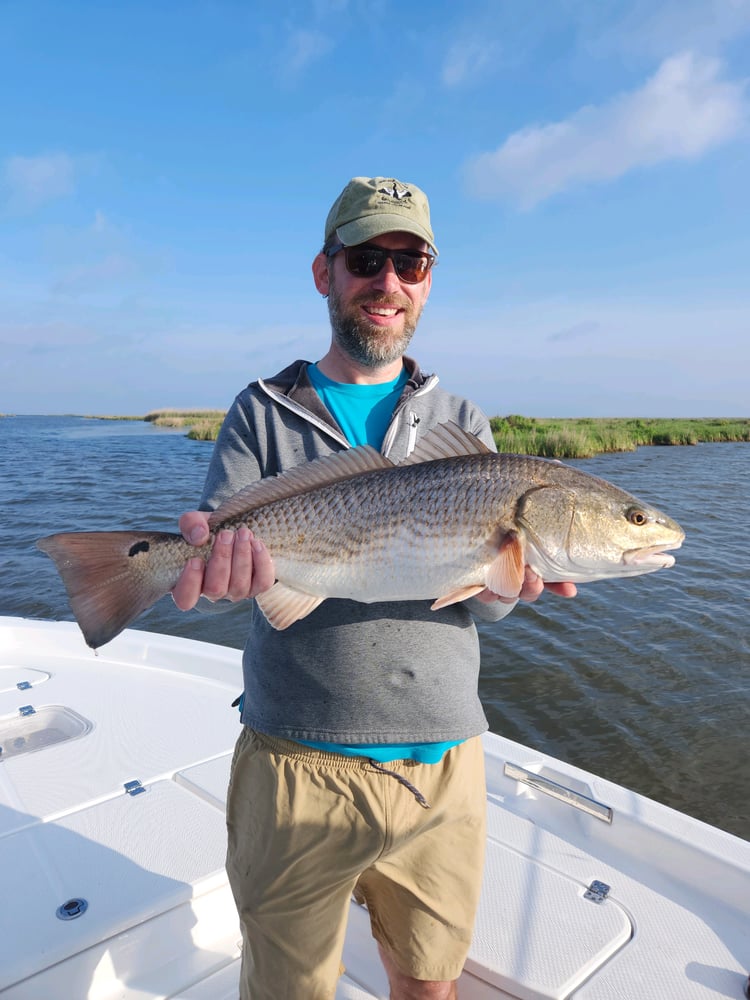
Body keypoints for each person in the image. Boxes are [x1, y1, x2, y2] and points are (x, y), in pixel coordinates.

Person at [172, 176, 576, 1000]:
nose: (389, 282)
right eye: (367, 259)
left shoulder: (462, 417)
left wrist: (513, 575)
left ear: (428, 280)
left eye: (411, 262)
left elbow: (482, 602)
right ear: (326, 272)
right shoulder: (263, 408)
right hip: (295, 764)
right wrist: (211, 574)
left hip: (444, 766)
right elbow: (221, 565)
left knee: (430, 984)